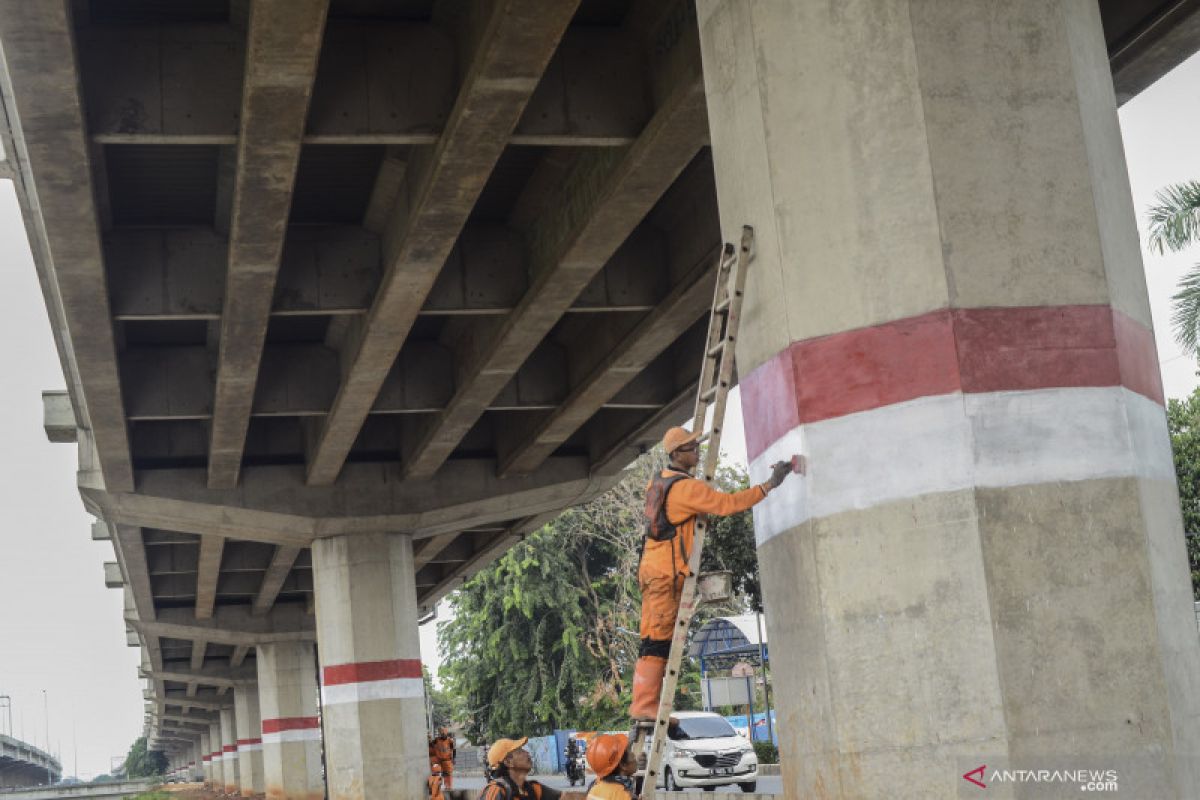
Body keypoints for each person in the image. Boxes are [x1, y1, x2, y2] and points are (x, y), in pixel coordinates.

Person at [631, 426, 798, 719]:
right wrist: (769, 485)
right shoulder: (686, 489)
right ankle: (645, 708)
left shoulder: (659, 482)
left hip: (651, 570)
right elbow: (727, 504)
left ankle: (646, 707)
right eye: (691, 447)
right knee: (657, 642)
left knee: (650, 640)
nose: (697, 451)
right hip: (666, 575)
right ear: (676, 454)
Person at [479, 737, 562, 800]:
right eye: (520, 751)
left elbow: (564, 797)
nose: (527, 752)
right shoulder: (495, 791)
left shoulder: (533, 788)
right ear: (508, 762)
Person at [584, 734, 636, 800]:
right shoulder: (624, 795)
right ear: (623, 765)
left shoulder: (594, 789)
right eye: (629, 751)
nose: (634, 754)